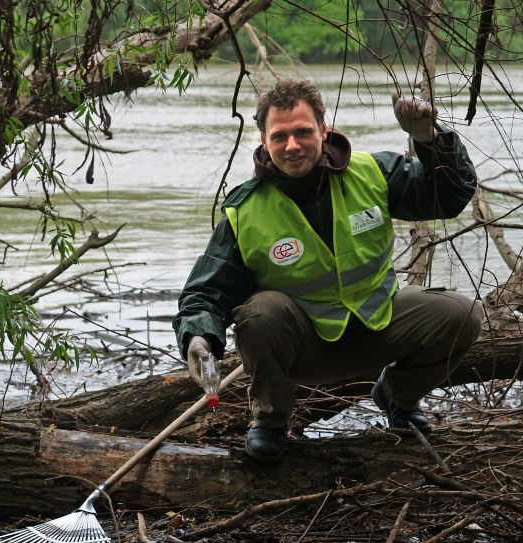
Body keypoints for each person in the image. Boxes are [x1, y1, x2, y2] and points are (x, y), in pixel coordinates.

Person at [173, 79, 483, 463]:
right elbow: (205, 292)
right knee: (260, 312)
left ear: (323, 129)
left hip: (378, 327)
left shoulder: (373, 172)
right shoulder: (246, 209)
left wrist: (428, 137)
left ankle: (397, 398)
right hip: (307, 350)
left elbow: (451, 196)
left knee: (463, 314)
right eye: (280, 135)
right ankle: (270, 420)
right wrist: (198, 338)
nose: (292, 145)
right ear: (263, 139)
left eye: (303, 132)